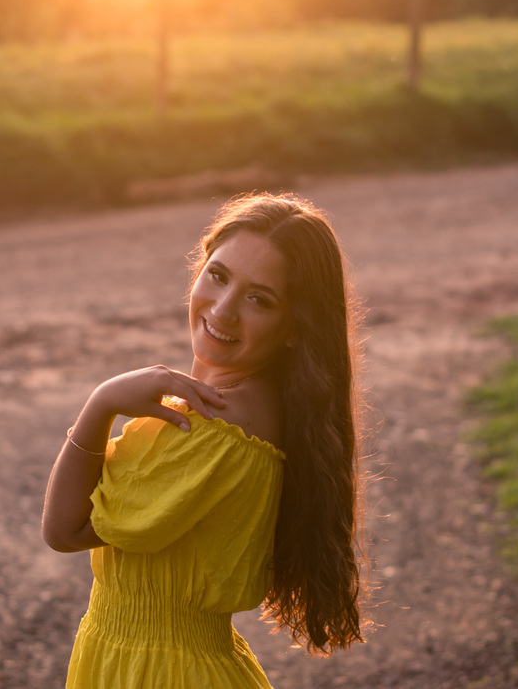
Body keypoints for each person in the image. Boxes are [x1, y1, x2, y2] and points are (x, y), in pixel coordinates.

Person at [42, 192, 365, 688]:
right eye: (218, 276)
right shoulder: (259, 406)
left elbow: (64, 530)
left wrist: (101, 403)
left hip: (161, 674)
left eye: (260, 299)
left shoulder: (214, 426)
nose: (224, 309)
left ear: (295, 328)